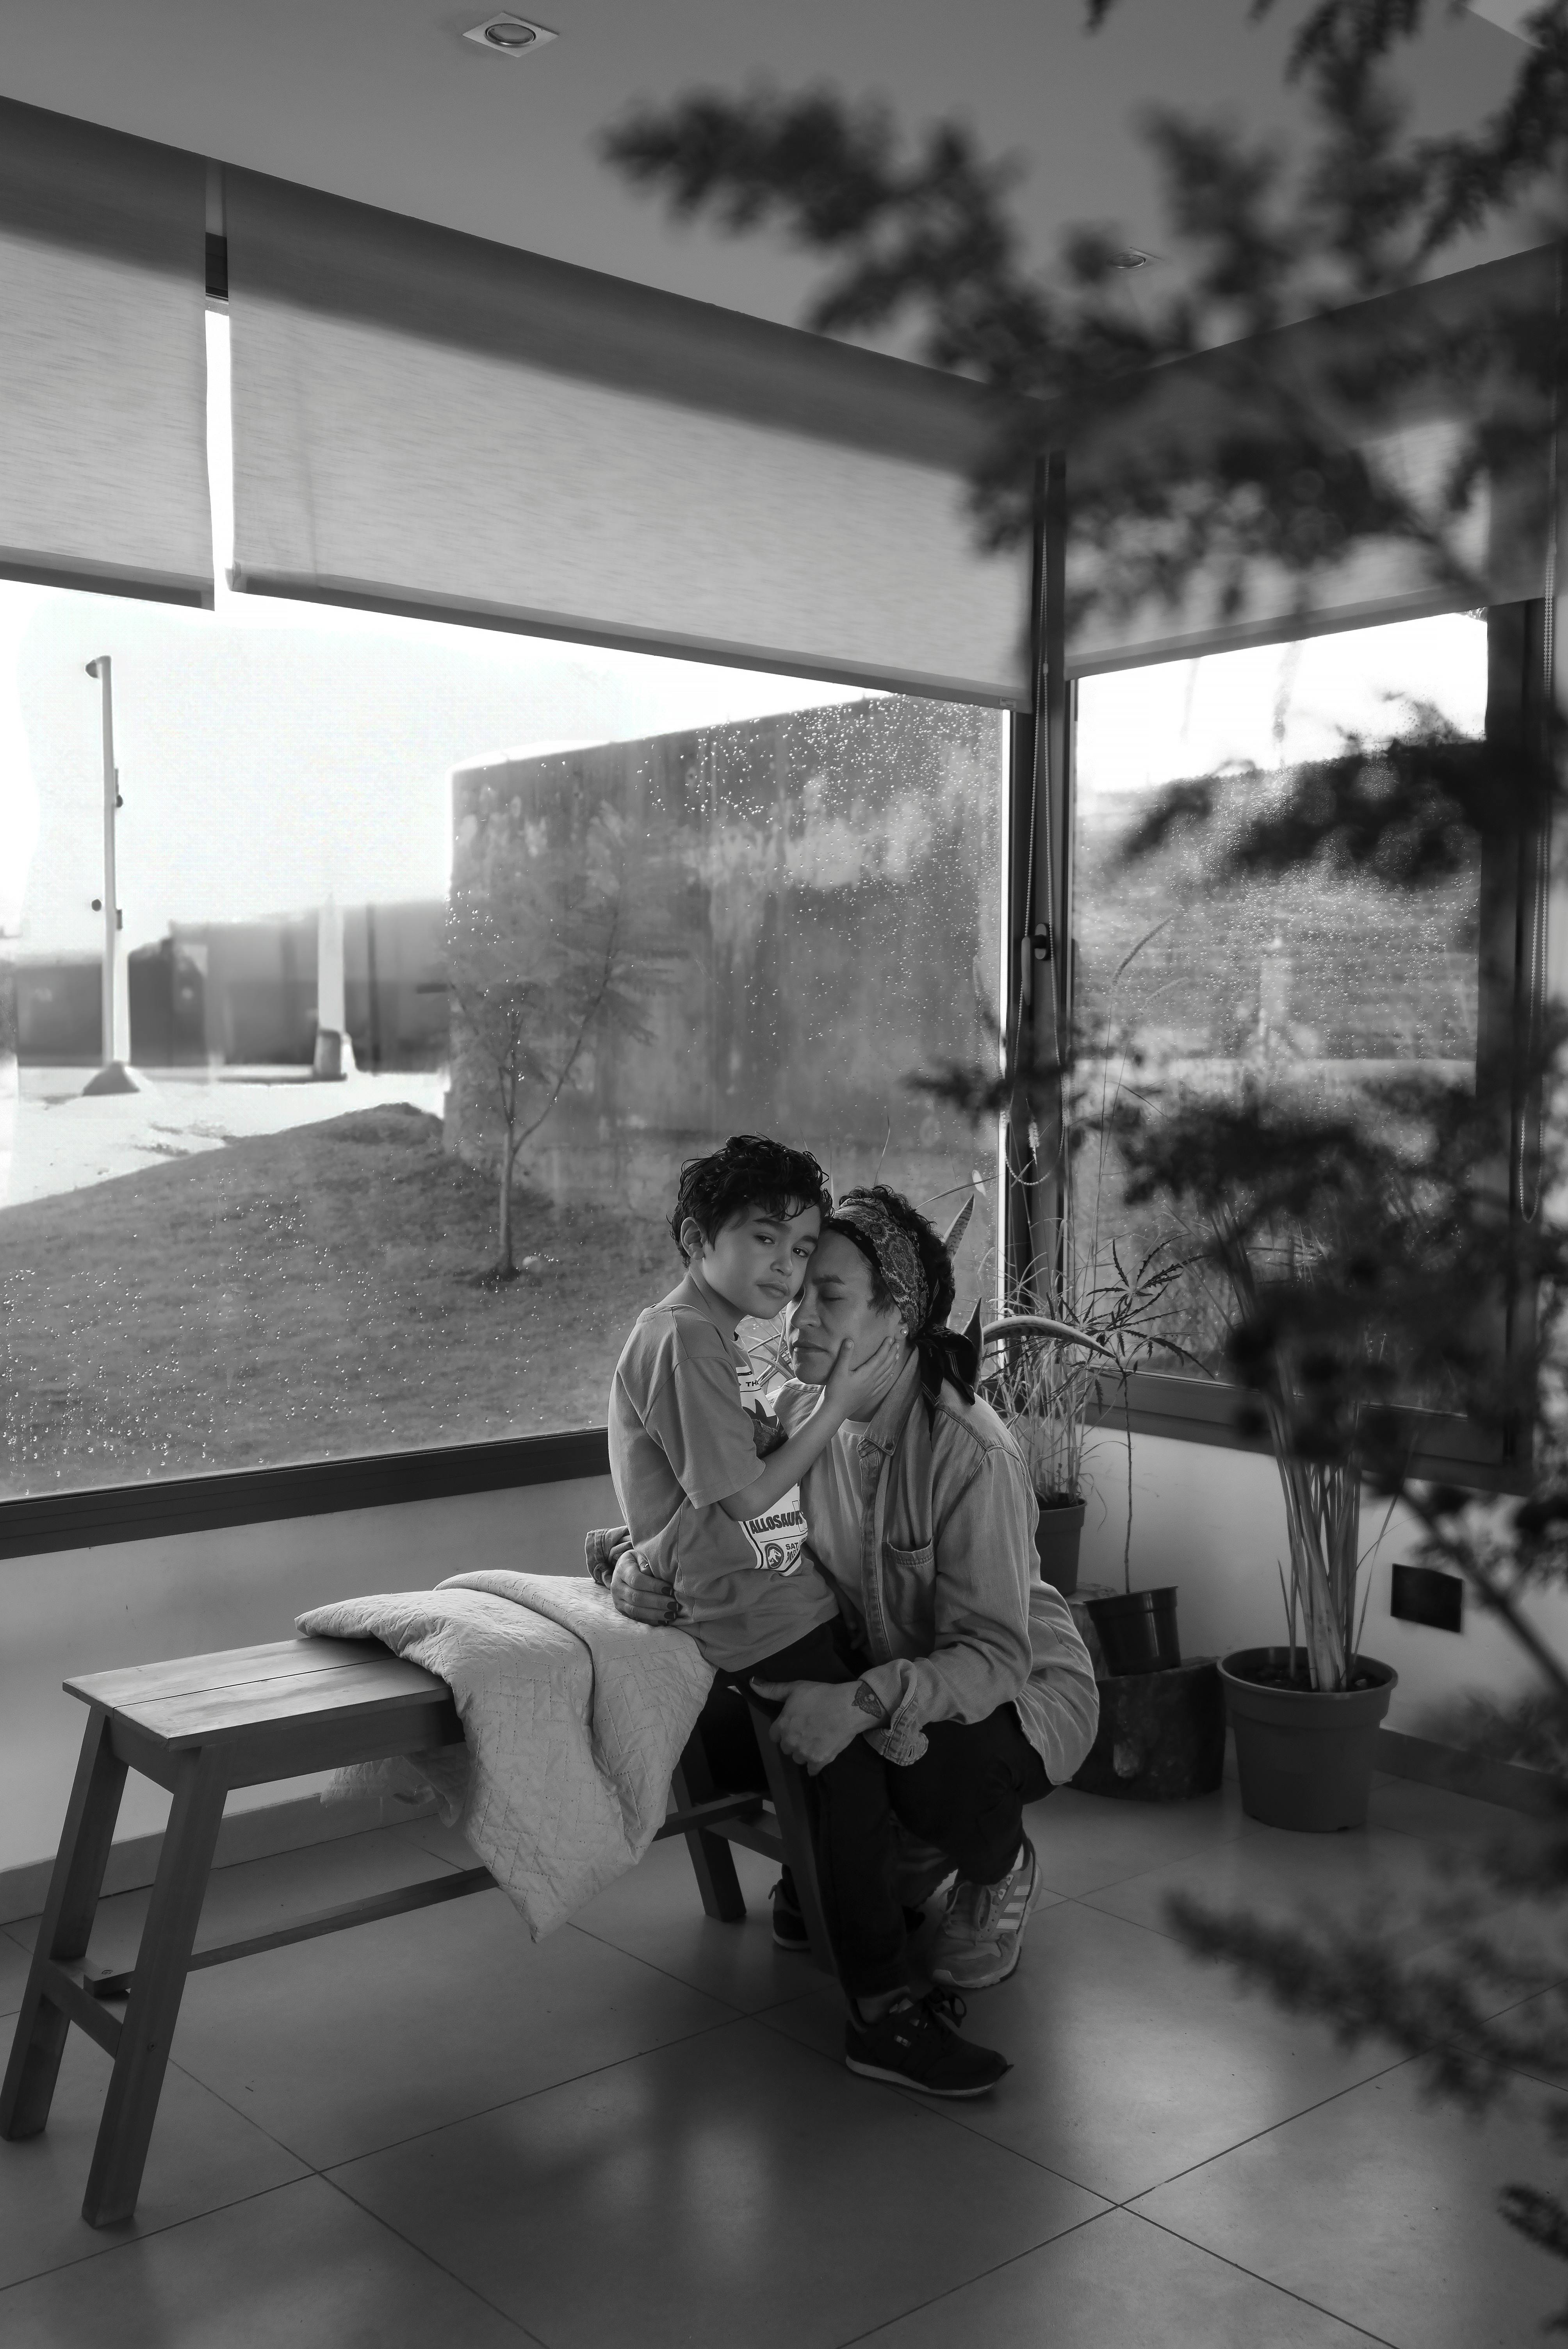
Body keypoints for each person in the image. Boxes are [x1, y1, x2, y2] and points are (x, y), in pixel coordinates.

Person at [611, 1184, 1099, 2094]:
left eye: (828, 1295)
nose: (797, 1312)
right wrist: (633, 1568)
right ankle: (885, 1862)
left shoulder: (970, 1452)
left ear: (896, 1317)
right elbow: (702, 1521)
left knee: (927, 1766)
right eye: (798, 1288)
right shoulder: (803, 1419)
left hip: (1009, 1691)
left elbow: (992, 1658)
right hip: (861, 1668)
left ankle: (992, 1863)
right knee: (717, 1724)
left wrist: (860, 1702)